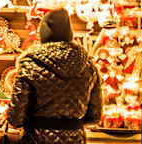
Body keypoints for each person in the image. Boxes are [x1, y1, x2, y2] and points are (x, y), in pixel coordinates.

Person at [6, 9, 102, 144]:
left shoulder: (30, 63)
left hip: (36, 138)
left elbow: (15, 119)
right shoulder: (88, 65)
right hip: (75, 139)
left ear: (43, 32)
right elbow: (95, 117)